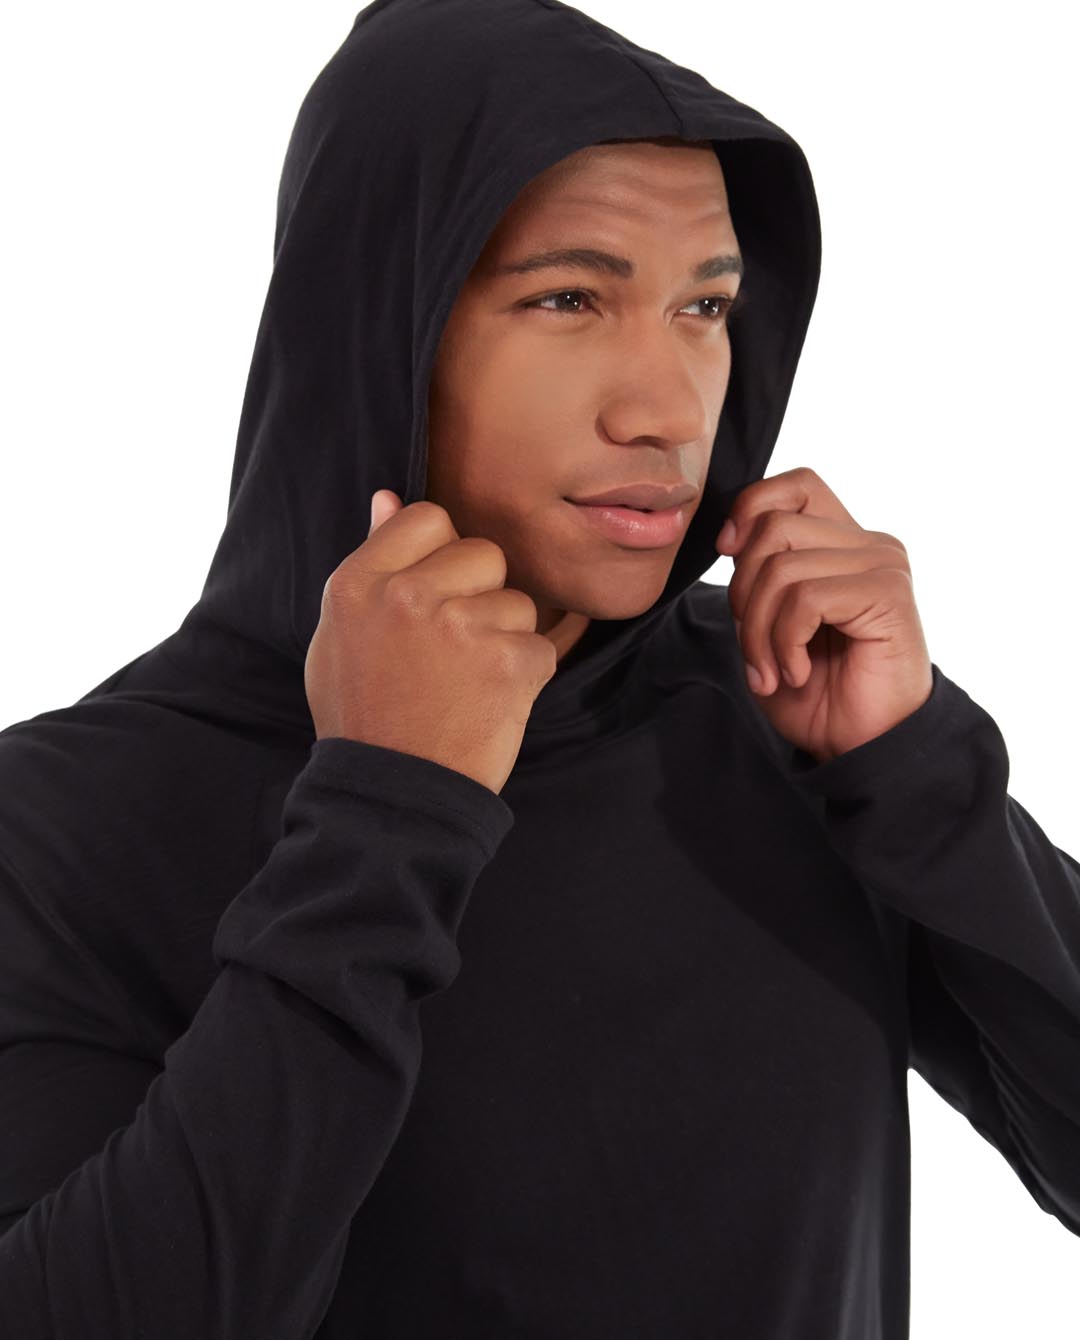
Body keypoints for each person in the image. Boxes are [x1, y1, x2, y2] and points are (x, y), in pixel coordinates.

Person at [1, 0, 1078, 1336]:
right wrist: (385, 809)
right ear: (382, 324)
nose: (669, 409)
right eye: (569, 298)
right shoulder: (64, 823)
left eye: (704, 306)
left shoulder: (778, 712)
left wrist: (918, 771)